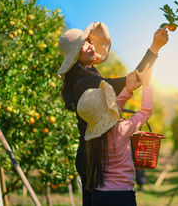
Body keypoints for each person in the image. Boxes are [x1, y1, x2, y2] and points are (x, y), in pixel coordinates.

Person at [58, 21, 168, 205]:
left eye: (88, 41)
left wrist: (129, 90)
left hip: (92, 155)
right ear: (74, 56)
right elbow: (131, 82)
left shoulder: (87, 76)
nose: (89, 46)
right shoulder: (85, 82)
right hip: (96, 159)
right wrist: (154, 49)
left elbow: (116, 102)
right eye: (82, 45)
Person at [76, 66, 154, 206]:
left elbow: (113, 110)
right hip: (122, 195)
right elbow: (146, 111)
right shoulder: (122, 129)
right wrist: (146, 85)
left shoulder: (93, 138)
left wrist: (128, 91)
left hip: (98, 196)